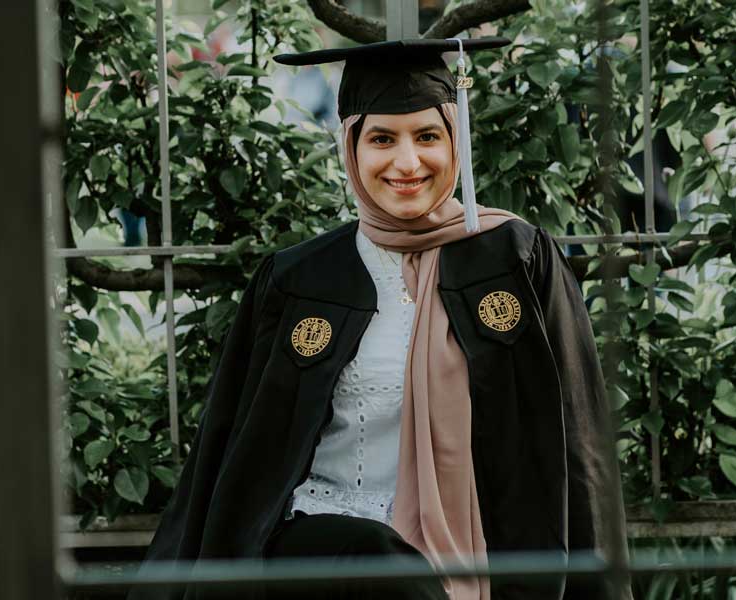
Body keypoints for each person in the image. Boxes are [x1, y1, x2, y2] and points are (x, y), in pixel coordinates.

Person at [128, 37, 631, 600]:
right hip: (331, 553)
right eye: (383, 139)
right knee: (378, 559)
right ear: (350, 147)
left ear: (456, 139)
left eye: (428, 136)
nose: (408, 162)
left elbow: (578, 437)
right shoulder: (301, 280)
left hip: (489, 549)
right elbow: (232, 450)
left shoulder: (517, 260)